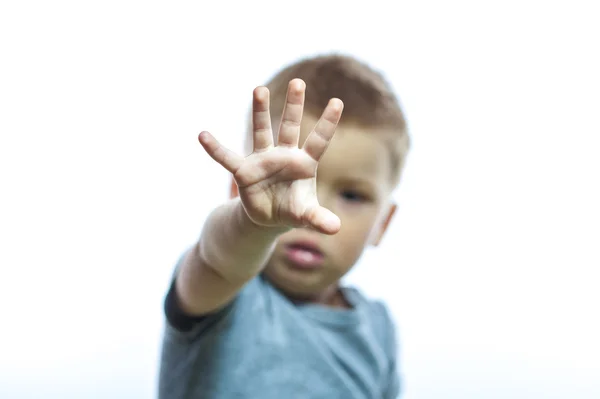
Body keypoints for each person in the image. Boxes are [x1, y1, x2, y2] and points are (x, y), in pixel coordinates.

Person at [158, 54, 410, 399]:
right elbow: (219, 258)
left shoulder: (377, 329)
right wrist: (254, 224)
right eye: (286, 185)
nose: (307, 211)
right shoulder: (223, 291)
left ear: (384, 223)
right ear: (240, 194)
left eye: (351, 195)